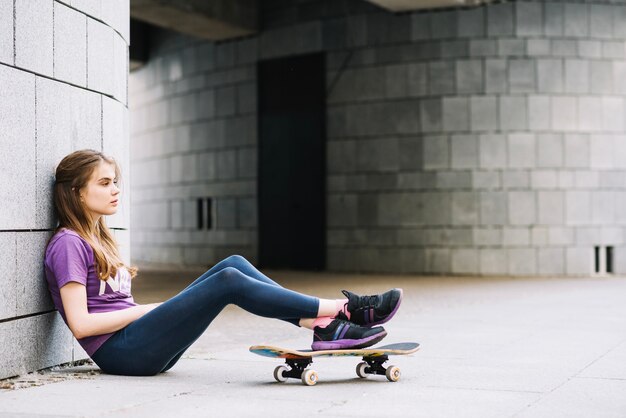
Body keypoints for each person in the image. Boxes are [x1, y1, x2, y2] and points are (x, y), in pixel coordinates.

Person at [43, 149, 403, 376]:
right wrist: (146, 310)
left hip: (139, 343)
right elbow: (82, 324)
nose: (115, 189)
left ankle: (322, 323)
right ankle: (344, 310)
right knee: (228, 279)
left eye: (116, 181)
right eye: (105, 183)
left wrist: (147, 313)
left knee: (234, 263)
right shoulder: (68, 244)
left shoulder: (98, 238)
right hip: (123, 354)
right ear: (76, 191)